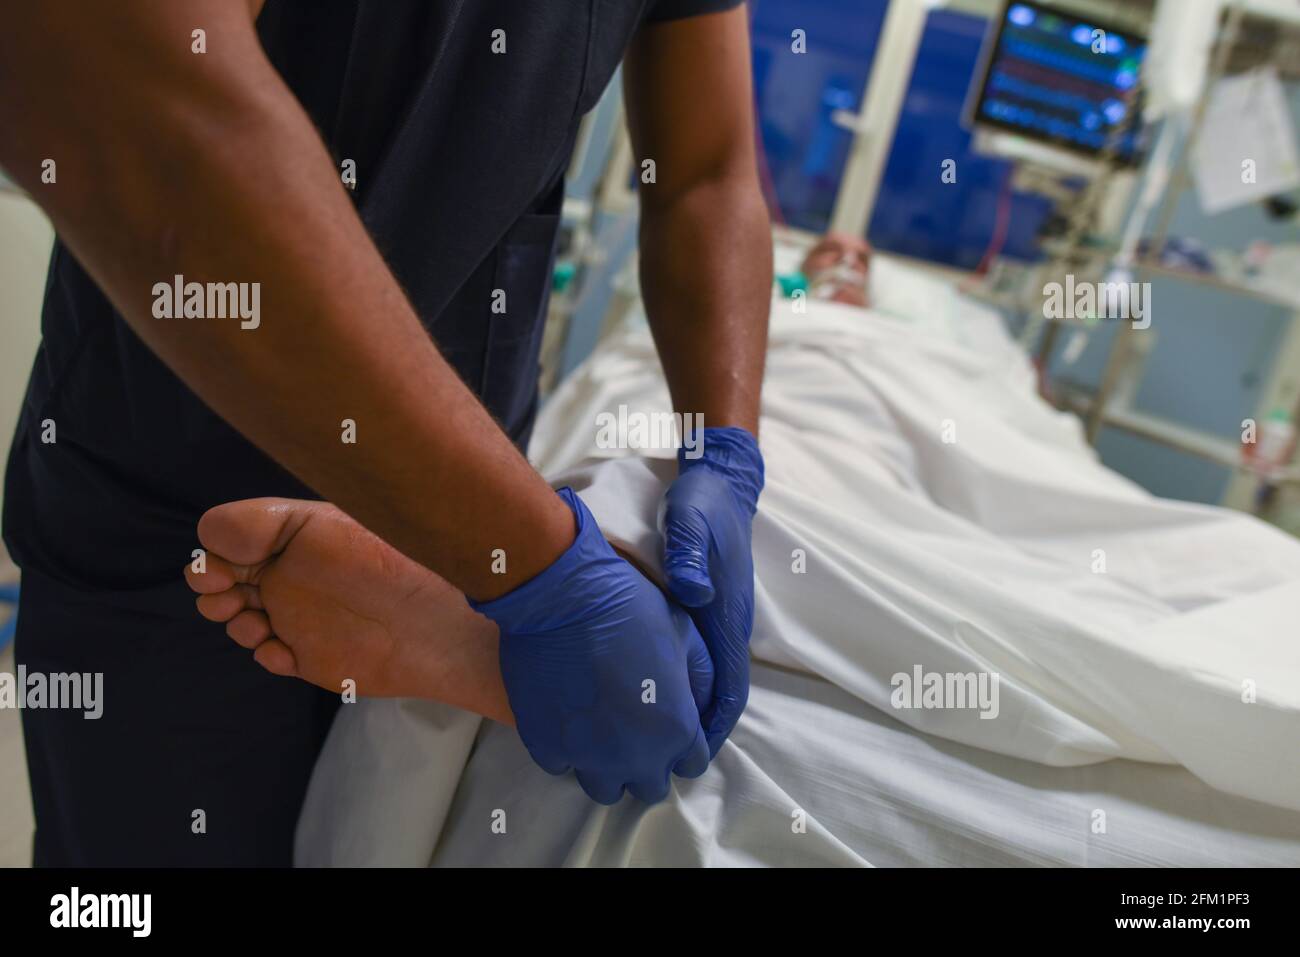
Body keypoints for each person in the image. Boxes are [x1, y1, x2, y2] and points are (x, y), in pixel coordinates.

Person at [0, 0, 771, 865]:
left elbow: (707, 174)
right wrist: (539, 563)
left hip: (477, 523)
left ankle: (447, 623)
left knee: (662, 676)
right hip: (182, 493)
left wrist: (726, 446)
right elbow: (132, 106)